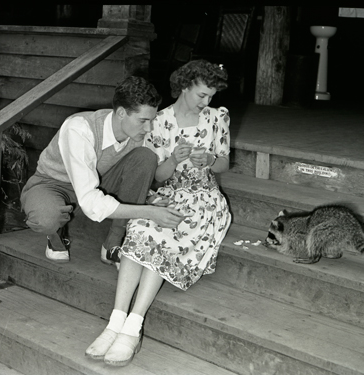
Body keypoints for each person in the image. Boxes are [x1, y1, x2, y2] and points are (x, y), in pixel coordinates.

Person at [85, 60, 232, 367]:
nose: (207, 102)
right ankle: (115, 322)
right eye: (202, 95)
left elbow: (224, 165)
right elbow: (160, 176)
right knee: (142, 229)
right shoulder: (160, 121)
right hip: (170, 191)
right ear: (185, 86)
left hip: (204, 198)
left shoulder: (218, 118)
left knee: (165, 236)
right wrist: (173, 161)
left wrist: (208, 160)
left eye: (211, 96)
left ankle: (132, 328)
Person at [20, 76, 187, 263]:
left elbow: (143, 171)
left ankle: (113, 243)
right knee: (45, 218)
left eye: (152, 120)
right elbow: (90, 201)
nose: (148, 128)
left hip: (99, 181)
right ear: (122, 113)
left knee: (146, 157)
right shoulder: (80, 128)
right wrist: (147, 211)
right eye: (142, 120)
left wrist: (149, 194)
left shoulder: (138, 133)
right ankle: (56, 232)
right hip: (53, 184)